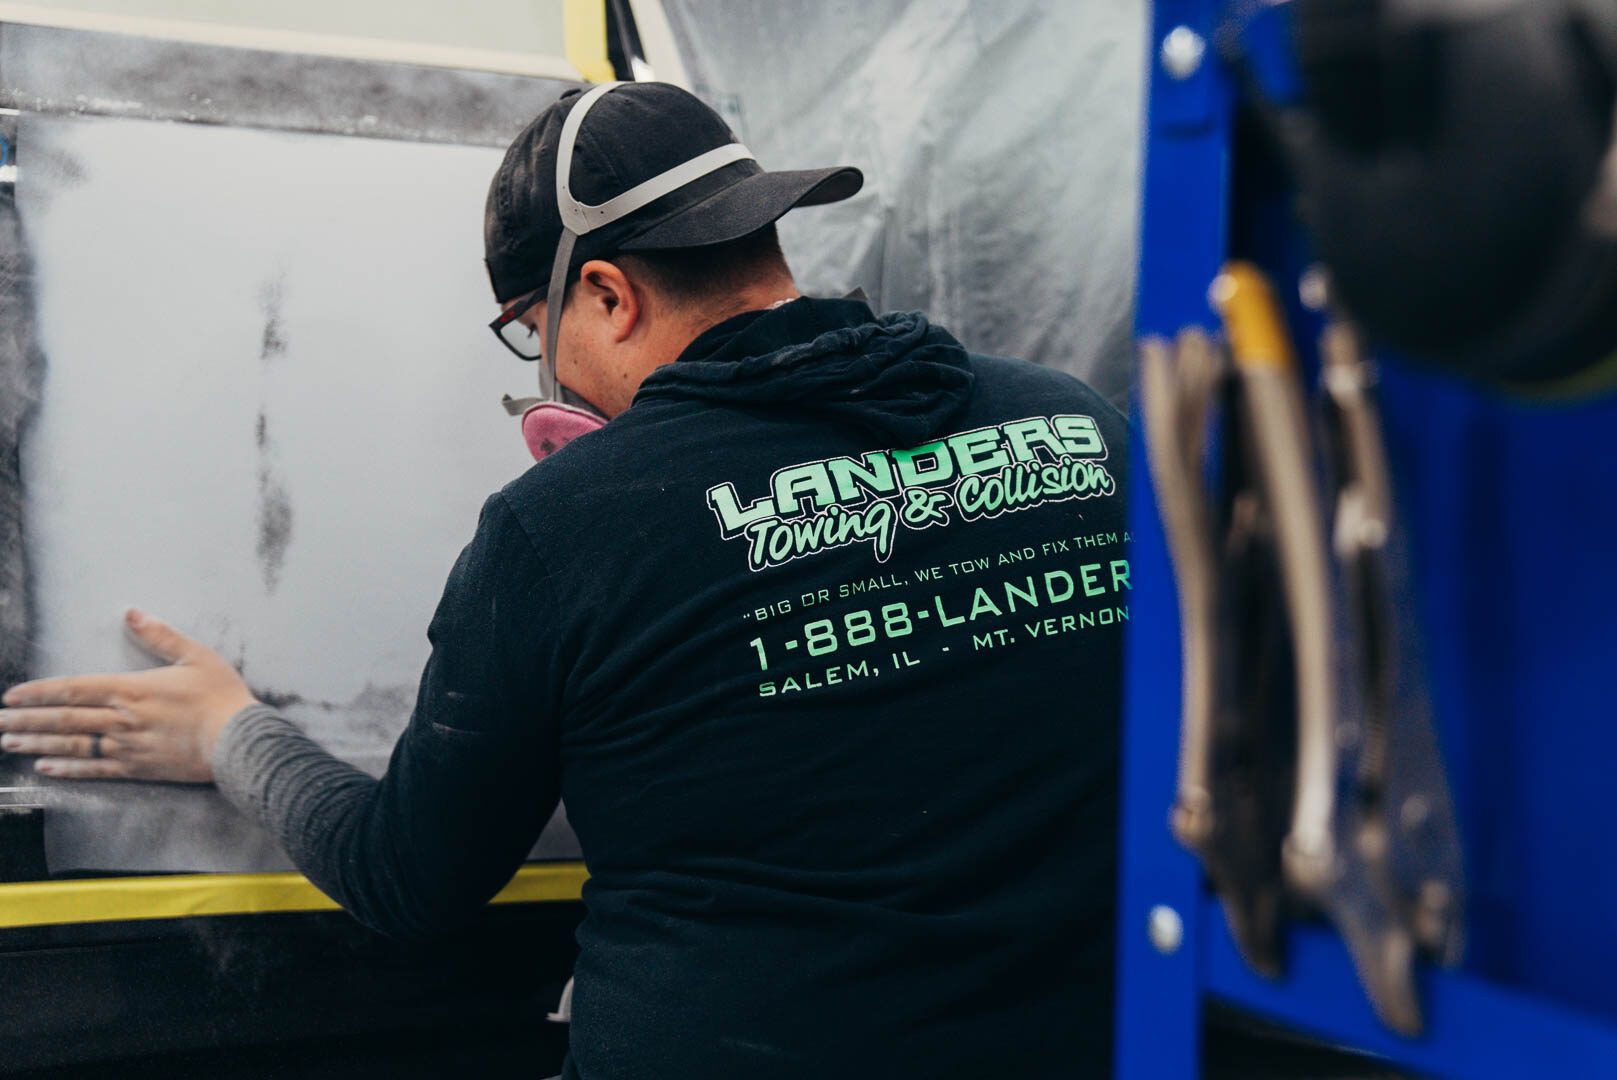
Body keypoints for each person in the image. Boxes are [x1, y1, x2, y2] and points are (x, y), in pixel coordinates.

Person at [0, 82, 1129, 1079]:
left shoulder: (566, 527)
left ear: (606, 295)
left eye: (532, 330)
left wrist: (228, 732)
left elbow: (407, 878)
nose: (548, 373)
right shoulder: (1079, 427)